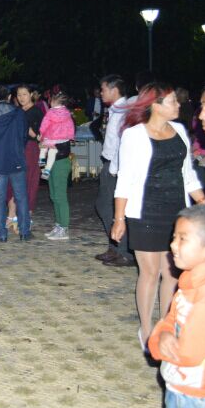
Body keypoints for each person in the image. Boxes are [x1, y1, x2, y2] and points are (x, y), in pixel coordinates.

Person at [113, 83, 205, 351]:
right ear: (156, 105)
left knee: (172, 273)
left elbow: (187, 174)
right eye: (173, 102)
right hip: (145, 211)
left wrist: (201, 200)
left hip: (176, 211)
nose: (179, 106)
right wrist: (119, 218)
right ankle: (146, 327)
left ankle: (166, 324)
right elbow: (125, 179)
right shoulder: (133, 135)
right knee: (150, 273)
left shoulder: (179, 131)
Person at [147, 205, 205, 408]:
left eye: (183, 239)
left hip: (197, 396)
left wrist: (155, 342)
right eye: (174, 237)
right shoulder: (188, 282)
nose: (172, 245)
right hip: (180, 386)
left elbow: (188, 353)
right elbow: (172, 317)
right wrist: (163, 333)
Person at [0, 85, 31, 241]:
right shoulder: (19, 114)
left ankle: (2, 233)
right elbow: (24, 136)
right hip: (16, 158)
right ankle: (24, 232)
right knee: (21, 197)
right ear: (10, 97)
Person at [95, 75, 134, 266]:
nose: (101, 93)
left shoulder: (124, 111)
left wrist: (115, 168)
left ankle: (124, 251)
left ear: (114, 89)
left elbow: (122, 142)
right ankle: (115, 246)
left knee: (111, 207)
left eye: (103, 89)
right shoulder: (115, 109)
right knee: (105, 206)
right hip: (110, 162)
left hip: (116, 165)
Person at [5, 85, 44, 231]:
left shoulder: (37, 112)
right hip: (15, 149)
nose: (21, 97)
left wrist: (23, 125)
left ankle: (26, 217)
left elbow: (37, 134)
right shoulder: (16, 111)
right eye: (19, 95)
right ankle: (11, 215)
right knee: (11, 182)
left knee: (28, 182)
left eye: (24, 94)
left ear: (31, 95)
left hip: (29, 149)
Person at [39, 88, 73, 241]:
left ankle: (64, 227)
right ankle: (59, 225)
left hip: (60, 160)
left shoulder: (51, 114)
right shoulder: (67, 116)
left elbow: (44, 127)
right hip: (55, 157)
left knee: (59, 196)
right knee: (54, 195)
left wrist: (41, 134)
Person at [38, 90, 75, 180]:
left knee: (43, 151)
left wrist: (41, 132)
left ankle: (42, 168)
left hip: (50, 137)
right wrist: (70, 135)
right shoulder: (66, 112)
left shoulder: (50, 112)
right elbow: (70, 125)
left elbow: (44, 124)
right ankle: (47, 171)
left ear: (53, 102)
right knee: (52, 153)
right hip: (61, 139)